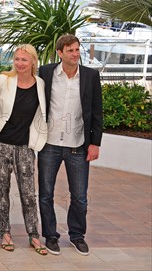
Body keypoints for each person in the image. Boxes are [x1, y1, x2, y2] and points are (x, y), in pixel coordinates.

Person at [38, 34, 103, 256]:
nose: (75, 54)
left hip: (79, 145)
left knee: (80, 196)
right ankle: (51, 236)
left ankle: (77, 236)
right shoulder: (46, 73)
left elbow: (97, 111)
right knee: (46, 194)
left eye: (77, 50)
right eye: (70, 50)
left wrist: (95, 143)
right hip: (49, 144)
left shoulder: (91, 76)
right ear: (60, 53)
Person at [0, 44, 48, 255]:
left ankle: (34, 235)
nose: (20, 63)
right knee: (2, 193)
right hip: (1, 146)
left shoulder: (40, 84)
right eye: (17, 59)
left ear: (33, 61)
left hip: (26, 147)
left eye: (24, 60)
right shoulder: (4, 80)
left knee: (28, 194)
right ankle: (4, 232)